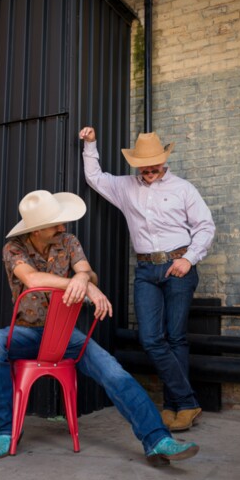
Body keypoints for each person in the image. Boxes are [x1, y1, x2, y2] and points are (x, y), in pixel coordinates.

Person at [0, 189, 200, 461]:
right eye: (55, 223)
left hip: (64, 334)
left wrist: (84, 279)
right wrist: (79, 284)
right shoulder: (14, 248)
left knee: (113, 371)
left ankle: (158, 440)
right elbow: (32, 279)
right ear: (36, 231)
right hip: (26, 333)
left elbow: (89, 272)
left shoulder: (69, 241)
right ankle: (6, 431)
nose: (62, 226)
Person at [79, 127, 216, 432]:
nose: (151, 169)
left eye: (156, 163)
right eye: (145, 165)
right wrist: (91, 145)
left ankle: (174, 405)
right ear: (137, 164)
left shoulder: (183, 189)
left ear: (164, 161)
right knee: (151, 338)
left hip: (178, 267)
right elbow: (96, 178)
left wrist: (188, 259)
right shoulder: (125, 186)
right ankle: (188, 401)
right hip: (145, 271)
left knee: (176, 337)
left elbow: (205, 226)